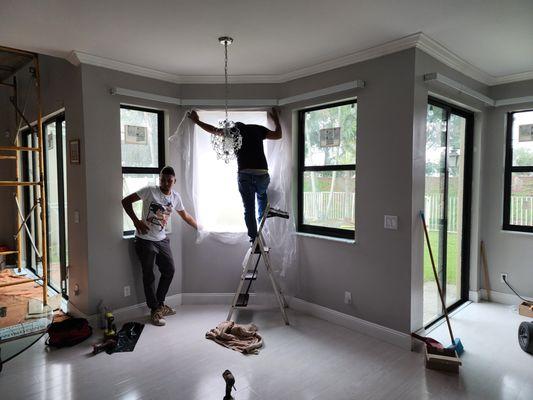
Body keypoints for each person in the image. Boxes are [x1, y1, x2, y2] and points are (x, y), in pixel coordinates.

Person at [188, 108, 282, 245]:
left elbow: (213, 130)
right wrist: (276, 120)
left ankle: (253, 238)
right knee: (262, 196)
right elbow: (278, 135)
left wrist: (196, 121)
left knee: (249, 208)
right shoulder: (258, 129)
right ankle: (262, 222)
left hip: (245, 174)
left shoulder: (234, 131)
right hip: (262, 173)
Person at [122, 166, 197, 326]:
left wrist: (200, 228)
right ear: (159, 179)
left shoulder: (176, 197)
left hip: (162, 239)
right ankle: (154, 310)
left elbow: (185, 215)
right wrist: (136, 221)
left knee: (169, 270)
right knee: (148, 276)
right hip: (145, 239)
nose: (166, 183)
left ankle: (160, 304)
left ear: (174, 181)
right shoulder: (150, 190)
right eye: (163, 179)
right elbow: (125, 201)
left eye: (169, 180)